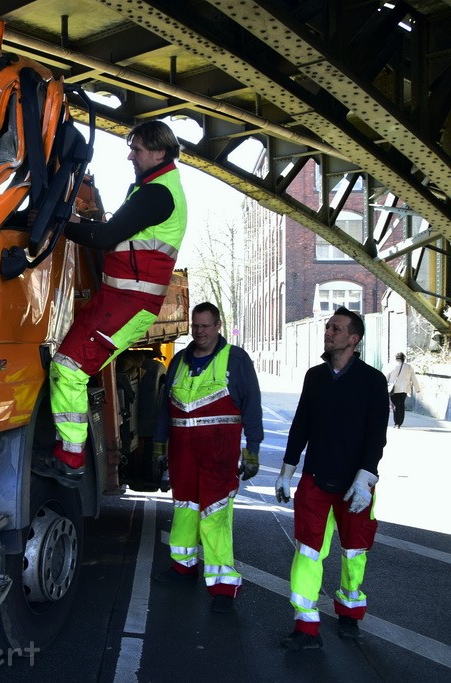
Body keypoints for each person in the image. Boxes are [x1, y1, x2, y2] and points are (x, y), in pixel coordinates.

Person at [43, 120, 187, 485]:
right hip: (118, 299)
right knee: (68, 366)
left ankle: (70, 459)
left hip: (129, 303)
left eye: (136, 149)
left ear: (159, 152)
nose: (130, 155)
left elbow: (106, 235)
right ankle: (70, 454)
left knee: (69, 370)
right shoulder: (153, 189)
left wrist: (60, 221)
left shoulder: (157, 194)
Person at [275, 306, 388, 650]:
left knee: (355, 550)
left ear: (354, 339)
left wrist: (365, 477)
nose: (329, 332)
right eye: (328, 327)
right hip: (316, 478)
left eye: (336, 329)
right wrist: (287, 470)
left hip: (356, 482)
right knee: (308, 551)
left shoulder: (372, 381)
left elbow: (376, 434)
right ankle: (305, 627)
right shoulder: (315, 377)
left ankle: (350, 613)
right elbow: (301, 425)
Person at [151, 302, 263, 614]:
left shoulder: (236, 360)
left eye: (206, 326)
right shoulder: (179, 362)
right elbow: (164, 409)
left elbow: (252, 406)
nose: (200, 332)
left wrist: (252, 450)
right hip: (183, 455)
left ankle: (223, 587)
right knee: (185, 509)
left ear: (218, 326)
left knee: (215, 517)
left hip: (219, 456)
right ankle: (182, 568)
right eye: (196, 326)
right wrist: (159, 446)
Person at [385, 351, 421, 428]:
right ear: (403, 358)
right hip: (404, 389)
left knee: (395, 405)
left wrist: (383, 387)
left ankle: (396, 422)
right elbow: (413, 378)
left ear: (396, 358)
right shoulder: (408, 367)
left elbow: (386, 377)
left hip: (393, 389)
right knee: (401, 405)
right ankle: (400, 422)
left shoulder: (391, 366)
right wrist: (417, 388)